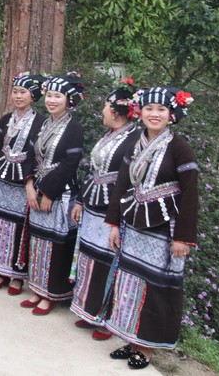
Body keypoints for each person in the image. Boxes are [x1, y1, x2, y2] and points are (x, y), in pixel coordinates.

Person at [105, 87, 198, 370]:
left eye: (160, 110)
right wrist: (113, 223)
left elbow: (190, 193)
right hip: (133, 226)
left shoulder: (179, 147)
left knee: (155, 287)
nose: (154, 114)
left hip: (163, 231)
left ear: (171, 114)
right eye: (148, 109)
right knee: (130, 282)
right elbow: (122, 183)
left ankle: (146, 347)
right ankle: (131, 337)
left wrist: (183, 237)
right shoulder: (136, 143)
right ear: (139, 112)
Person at [69, 80, 139, 340]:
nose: (102, 111)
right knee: (90, 257)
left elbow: (128, 179)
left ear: (117, 111)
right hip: (93, 204)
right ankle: (88, 309)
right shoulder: (108, 135)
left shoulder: (133, 139)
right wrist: (80, 199)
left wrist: (117, 216)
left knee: (109, 260)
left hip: (114, 207)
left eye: (106, 106)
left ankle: (105, 318)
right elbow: (93, 171)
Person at [0, 73, 46, 295]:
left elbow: (39, 155)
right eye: (15, 91)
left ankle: (17, 275)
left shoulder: (41, 122)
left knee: (19, 226)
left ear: (33, 95)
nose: (18, 96)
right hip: (2, 180)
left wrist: (30, 182)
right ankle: (0, 270)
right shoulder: (6, 119)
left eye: (23, 92)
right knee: (0, 224)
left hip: (22, 183)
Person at [22, 74, 85, 315]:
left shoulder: (74, 128)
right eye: (49, 95)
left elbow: (70, 163)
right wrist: (29, 184)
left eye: (57, 96)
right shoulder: (44, 123)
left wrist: (48, 192)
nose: (51, 100)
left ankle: (51, 293)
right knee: (38, 240)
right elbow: (30, 155)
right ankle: (37, 288)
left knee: (55, 242)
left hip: (61, 194)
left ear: (68, 100)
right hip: (37, 188)